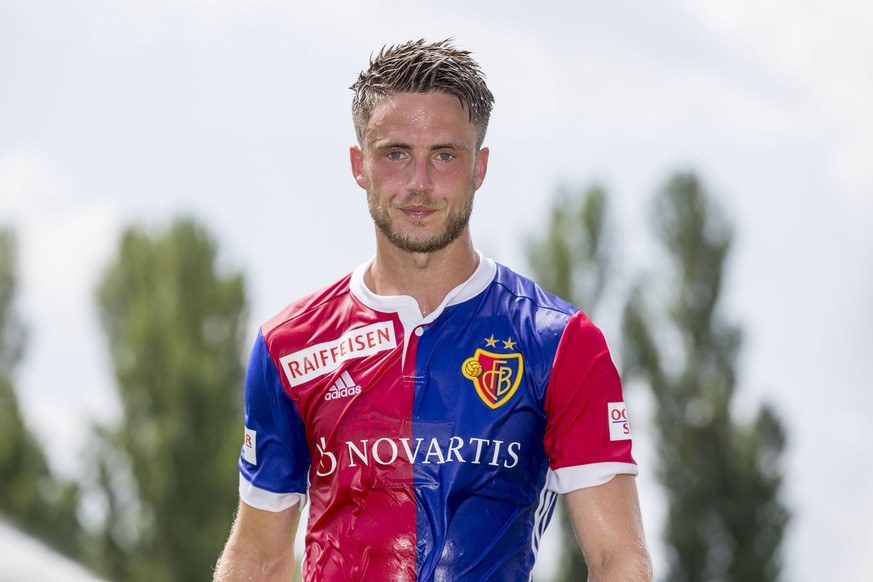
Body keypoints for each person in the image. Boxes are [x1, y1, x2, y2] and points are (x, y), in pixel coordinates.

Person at [214, 39, 652, 581]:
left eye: (444, 155)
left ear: (480, 167)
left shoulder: (559, 342)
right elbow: (258, 557)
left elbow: (618, 561)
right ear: (359, 165)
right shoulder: (290, 347)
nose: (419, 183)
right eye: (396, 153)